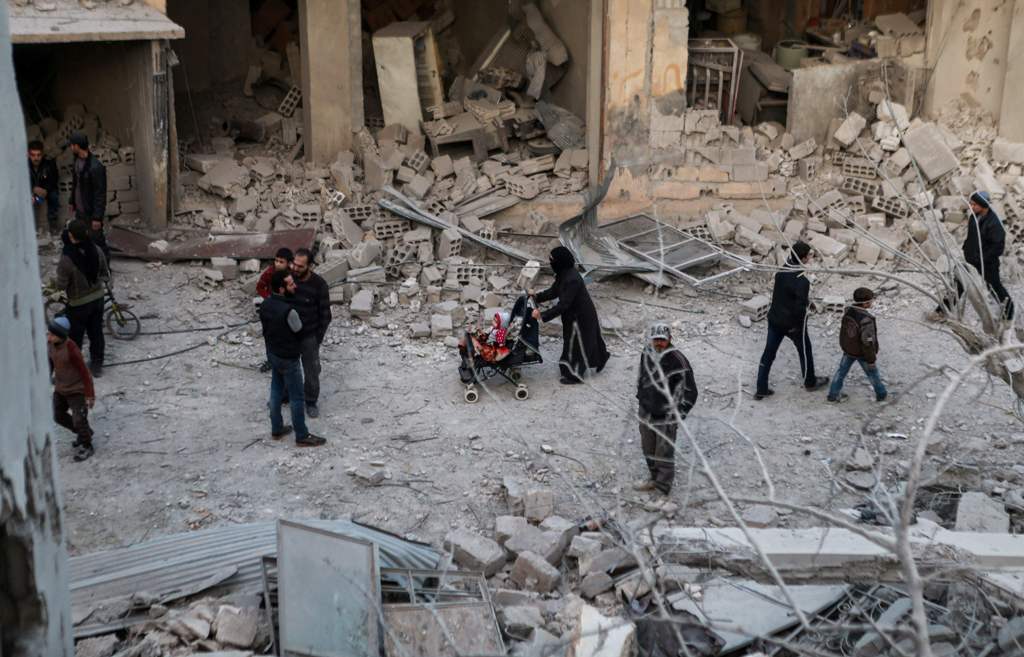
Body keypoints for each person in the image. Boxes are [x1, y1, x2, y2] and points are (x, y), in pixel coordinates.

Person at [258, 269, 325, 446]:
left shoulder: (265, 305)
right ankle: (302, 435)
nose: (295, 286)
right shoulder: (290, 312)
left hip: (274, 354)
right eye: (290, 284)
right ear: (281, 289)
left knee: (275, 391)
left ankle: (277, 428)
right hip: (289, 359)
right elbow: (299, 331)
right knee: (297, 398)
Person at [755, 240, 828, 400]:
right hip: (792, 324)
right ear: (803, 258)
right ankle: (810, 382)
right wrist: (798, 327)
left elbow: (786, 294)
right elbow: (799, 308)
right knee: (805, 351)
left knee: (768, 354)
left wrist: (807, 302)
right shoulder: (802, 281)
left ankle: (761, 388)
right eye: (808, 256)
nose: (810, 258)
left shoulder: (782, 271)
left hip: (775, 320)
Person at [634, 323, 697, 499]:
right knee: (648, 448)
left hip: (666, 417)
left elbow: (691, 392)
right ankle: (653, 479)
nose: (659, 343)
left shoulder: (678, 360)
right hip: (646, 411)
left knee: (664, 454)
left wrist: (677, 415)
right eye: (656, 340)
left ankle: (663, 490)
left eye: (662, 340)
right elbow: (642, 375)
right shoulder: (646, 352)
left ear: (670, 339)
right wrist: (641, 398)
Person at [930, 190, 1014, 321]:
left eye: (974, 204)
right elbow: (972, 238)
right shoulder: (974, 217)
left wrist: (982, 259)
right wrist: (967, 249)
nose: (971, 206)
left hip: (987, 264)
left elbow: (998, 248)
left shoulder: (994, 224)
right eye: (971, 203)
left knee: (994, 288)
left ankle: (1008, 315)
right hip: (971, 260)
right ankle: (941, 311)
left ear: (983, 205)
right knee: (958, 285)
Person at [531, 246, 610, 384]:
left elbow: (563, 305)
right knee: (582, 341)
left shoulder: (572, 279)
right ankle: (601, 357)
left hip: (581, 316)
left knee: (577, 345)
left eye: (552, 260)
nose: (550, 262)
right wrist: (537, 297)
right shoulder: (564, 273)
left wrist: (542, 315)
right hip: (573, 315)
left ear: (560, 261)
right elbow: (554, 291)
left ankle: (575, 376)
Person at [57, 219, 108, 377]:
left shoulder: (67, 259)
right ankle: (97, 365)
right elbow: (104, 272)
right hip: (98, 299)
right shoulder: (96, 249)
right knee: (96, 332)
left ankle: (75, 368)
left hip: (79, 304)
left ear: (71, 236)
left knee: (75, 338)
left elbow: (61, 285)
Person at [47, 317, 96, 462]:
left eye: (52, 334)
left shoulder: (72, 349)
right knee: (57, 415)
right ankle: (84, 433)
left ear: (60, 335)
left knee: (79, 419)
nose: (49, 337)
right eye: (49, 333)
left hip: (76, 390)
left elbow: (85, 373)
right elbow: (50, 362)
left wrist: (90, 395)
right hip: (61, 388)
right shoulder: (50, 344)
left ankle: (87, 445)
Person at [290, 248, 331, 418]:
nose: (295, 268)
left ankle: (311, 401)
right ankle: (285, 395)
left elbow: (326, 316)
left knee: (312, 371)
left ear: (310, 266)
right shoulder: (288, 279)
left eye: (300, 266)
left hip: (309, 337)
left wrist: (317, 339)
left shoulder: (319, 285)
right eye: (294, 264)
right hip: (289, 336)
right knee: (287, 368)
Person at [827, 288, 887, 402]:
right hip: (861, 353)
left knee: (841, 372)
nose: (872, 302)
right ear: (865, 304)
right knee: (872, 373)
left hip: (848, 350)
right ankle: (881, 394)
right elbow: (867, 342)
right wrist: (871, 360)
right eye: (871, 301)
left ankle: (833, 395)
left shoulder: (848, 310)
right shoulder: (866, 320)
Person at [256, 248, 294, 373]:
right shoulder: (270, 272)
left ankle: (288, 358)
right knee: (270, 334)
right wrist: (268, 298)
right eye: (276, 261)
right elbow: (260, 287)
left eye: (281, 262)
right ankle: (271, 360)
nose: (277, 264)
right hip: (273, 308)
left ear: (288, 263)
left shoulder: (292, 274)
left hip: (287, 309)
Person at [68, 131, 107, 225]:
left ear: (77, 146)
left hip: (90, 214)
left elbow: (100, 194)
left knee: (93, 234)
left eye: (72, 145)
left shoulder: (95, 167)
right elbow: (76, 183)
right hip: (79, 211)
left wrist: (97, 218)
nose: (70, 147)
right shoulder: (76, 160)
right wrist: (72, 201)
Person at [28, 140, 59, 235]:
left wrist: (46, 190)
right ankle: (30, 228)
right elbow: (21, 181)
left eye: (38, 155)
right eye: (33, 155)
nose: (36, 158)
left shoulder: (49, 163)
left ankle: (53, 223)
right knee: (28, 200)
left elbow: (54, 179)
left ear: (42, 154)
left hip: (46, 192)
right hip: (32, 192)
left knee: (54, 196)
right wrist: (33, 189)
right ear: (28, 154)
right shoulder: (24, 165)